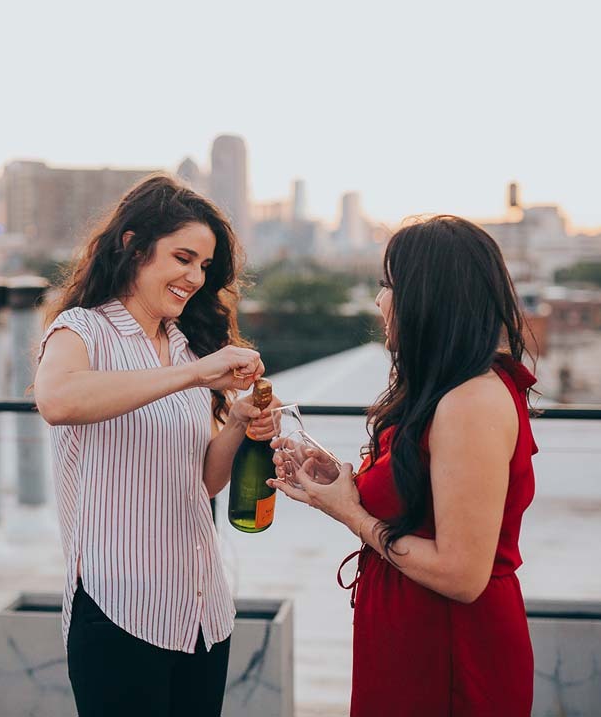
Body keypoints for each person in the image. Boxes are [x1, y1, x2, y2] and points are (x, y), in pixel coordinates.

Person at [32, 174, 279, 717]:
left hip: (201, 609)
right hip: (120, 608)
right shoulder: (83, 330)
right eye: (183, 257)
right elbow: (58, 400)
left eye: (204, 267)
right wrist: (195, 379)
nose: (194, 278)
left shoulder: (187, 347)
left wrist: (236, 422)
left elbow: (202, 483)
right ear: (133, 244)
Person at [270, 215, 537, 716]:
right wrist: (342, 480)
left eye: (387, 285)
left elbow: (462, 574)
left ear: (427, 297)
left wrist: (352, 513)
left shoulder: (470, 403)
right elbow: (423, 499)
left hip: (452, 657)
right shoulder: (444, 394)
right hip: (412, 644)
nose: (378, 301)